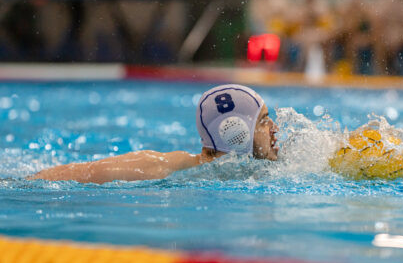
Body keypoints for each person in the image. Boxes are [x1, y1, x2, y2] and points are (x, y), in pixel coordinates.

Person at [29, 84, 279, 184]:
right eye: (264, 120)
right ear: (236, 132)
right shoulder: (166, 168)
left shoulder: (273, 169)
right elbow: (86, 172)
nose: (275, 129)